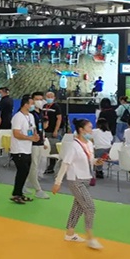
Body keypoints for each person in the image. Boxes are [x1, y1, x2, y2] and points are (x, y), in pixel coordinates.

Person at [52, 118, 105, 250]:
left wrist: (96, 161)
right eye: (89, 128)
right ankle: (90, 237)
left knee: (79, 206)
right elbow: (65, 164)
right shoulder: (74, 146)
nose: (91, 130)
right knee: (90, 207)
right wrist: (58, 182)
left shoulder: (90, 144)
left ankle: (70, 233)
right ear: (81, 130)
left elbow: (89, 159)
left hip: (86, 178)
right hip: (75, 179)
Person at [10, 95, 40, 204]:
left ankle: (19, 193)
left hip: (28, 148)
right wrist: (29, 138)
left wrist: (35, 136)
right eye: (31, 103)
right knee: (22, 171)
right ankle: (16, 194)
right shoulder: (18, 117)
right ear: (25, 104)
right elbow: (16, 133)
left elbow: (33, 128)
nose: (33, 105)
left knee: (25, 172)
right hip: (19, 149)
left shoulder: (30, 116)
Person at [24, 92, 49, 199]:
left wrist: (43, 140)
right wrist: (32, 137)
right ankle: (38, 189)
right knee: (33, 166)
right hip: (33, 143)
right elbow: (29, 128)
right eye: (36, 99)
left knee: (35, 165)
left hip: (40, 142)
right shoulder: (30, 114)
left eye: (40, 99)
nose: (39, 101)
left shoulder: (41, 112)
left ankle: (23, 185)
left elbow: (41, 128)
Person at [42, 91, 63, 175]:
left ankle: (51, 166)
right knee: (45, 147)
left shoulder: (56, 107)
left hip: (53, 130)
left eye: (51, 97)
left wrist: (56, 130)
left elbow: (59, 119)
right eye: (48, 96)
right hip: (45, 130)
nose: (49, 98)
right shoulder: (44, 106)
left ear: (54, 98)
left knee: (53, 148)